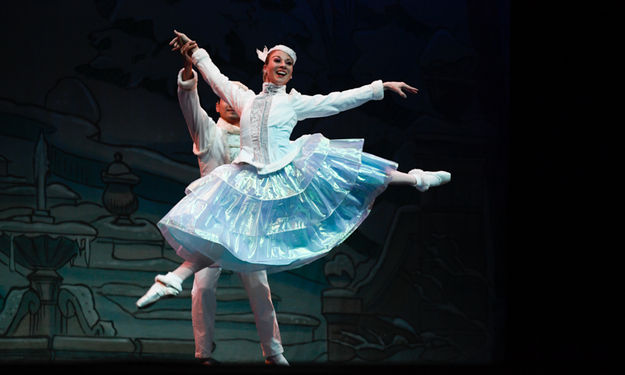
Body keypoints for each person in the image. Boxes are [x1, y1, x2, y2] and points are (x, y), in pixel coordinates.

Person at [158, 30, 450, 276]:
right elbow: (216, 79)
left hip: (285, 166)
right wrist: (194, 51)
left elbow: (337, 101)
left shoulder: (294, 103)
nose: (283, 65)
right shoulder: (245, 99)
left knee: (352, 166)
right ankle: (186, 276)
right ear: (265, 67)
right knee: (223, 217)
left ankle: (417, 179)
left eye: (288, 63)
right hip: (248, 172)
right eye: (277, 60)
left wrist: (380, 87)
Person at [136, 48, 288, 365]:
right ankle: (203, 354)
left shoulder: (256, 140)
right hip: (213, 220)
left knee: (260, 288)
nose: (233, 105)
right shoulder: (208, 133)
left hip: (247, 223)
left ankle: (273, 353)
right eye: (227, 100)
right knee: (202, 288)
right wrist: (189, 75)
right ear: (218, 104)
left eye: (239, 101)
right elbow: (189, 104)